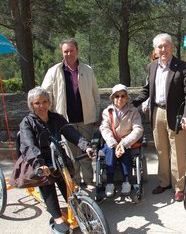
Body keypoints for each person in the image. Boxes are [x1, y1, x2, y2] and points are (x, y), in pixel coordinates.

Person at [132, 33, 186, 202]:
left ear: (172, 47)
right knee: (161, 150)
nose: (163, 49)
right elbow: (147, 90)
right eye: (159, 46)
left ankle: (179, 187)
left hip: (177, 114)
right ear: (155, 49)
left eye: (166, 45)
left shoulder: (183, 67)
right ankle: (165, 182)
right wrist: (133, 104)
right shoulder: (152, 67)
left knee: (178, 152)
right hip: (157, 113)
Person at [19, 87, 94, 234]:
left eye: (45, 101)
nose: (42, 106)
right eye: (37, 103)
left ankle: (75, 206)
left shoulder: (56, 118)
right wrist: (39, 164)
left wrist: (86, 147)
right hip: (37, 158)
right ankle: (57, 216)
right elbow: (29, 145)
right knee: (46, 181)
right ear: (31, 105)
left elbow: (71, 132)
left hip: (57, 155)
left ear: (49, 102)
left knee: (65, 177)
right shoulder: (27, 122)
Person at [42, 38, 100, 187]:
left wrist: (96, 114)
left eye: (71, 50)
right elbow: (45, 94)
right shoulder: (54, 71)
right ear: (62, 53)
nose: (68, 54)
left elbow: (95, 94)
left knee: (86, 152)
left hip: (85, 118)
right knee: (70, 155)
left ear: (77, 51)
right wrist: (49, 115)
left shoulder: (87, 70)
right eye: (65, 51)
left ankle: (89, 182)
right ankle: (75, 184)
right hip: (64, 119)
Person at [99, 84, 144, 196]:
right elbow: (104, 129)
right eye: (117, 96)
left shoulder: (133, 111)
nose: (120, 98)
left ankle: (126, 181)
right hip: (112, 142)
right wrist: (115, 145)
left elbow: (138, 129)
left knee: (126, 150)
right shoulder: (107, 112)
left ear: (127, 98)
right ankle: (110, 182)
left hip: (127, 141)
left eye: (123, 96)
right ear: (112, 98)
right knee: (110, 150)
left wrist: (123, 144)